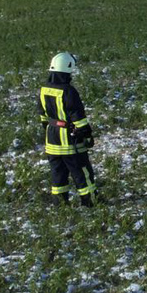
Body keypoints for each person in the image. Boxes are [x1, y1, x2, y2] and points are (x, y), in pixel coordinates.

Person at [39, 52, 97, 207]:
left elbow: (42, 116)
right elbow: (77, 116)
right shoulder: (68, 91)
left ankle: (60, 202)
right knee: (81, 171)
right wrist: (86, 133)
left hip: (51, 139)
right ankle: (90, 200)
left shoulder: (44, 89)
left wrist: (49, 130)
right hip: (69, 141)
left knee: (58, 173)